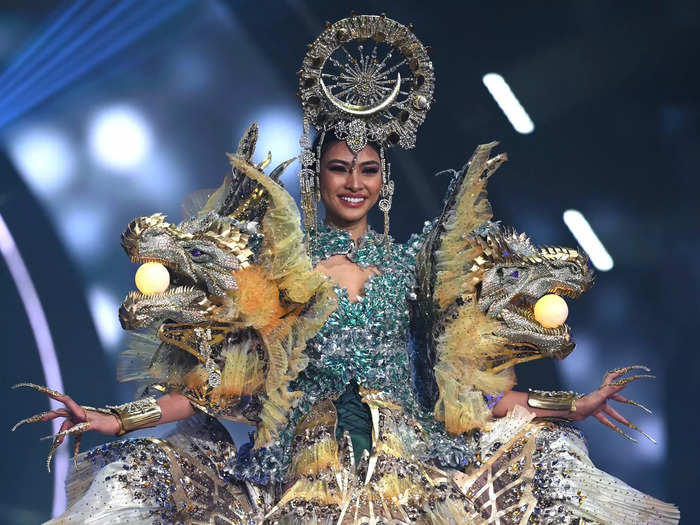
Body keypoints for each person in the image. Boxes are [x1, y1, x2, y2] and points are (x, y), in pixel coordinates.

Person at [14, 14, 679, 525]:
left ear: (381, 178)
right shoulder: (280, 268)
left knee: (549, 454)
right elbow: (226, 388)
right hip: (298, 480)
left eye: (367, 169)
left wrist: (567, 404)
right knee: (144, 477)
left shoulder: (419, 268)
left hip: (410, 478)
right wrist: (119, 418)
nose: (353, 182)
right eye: (339, 168)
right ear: (319, 174)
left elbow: (474, 394)